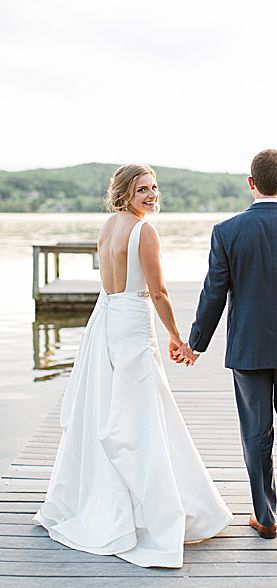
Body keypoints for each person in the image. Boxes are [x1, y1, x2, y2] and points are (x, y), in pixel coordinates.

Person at [34, 164, 233, 568]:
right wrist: (178, 337)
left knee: (110, 410)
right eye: (143, 189)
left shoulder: (108, 226)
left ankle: (100, 500)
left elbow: (113, 285)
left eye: (155, 188)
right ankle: (145, 514)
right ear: (124, 192)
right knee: (139, 415)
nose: (152, 195)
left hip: (106, 318)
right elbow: (157, 291)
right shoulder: (145, 230)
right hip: (129, 322)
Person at [180, 149, 277, 541]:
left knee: (255, 431)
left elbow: (213, 292)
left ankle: (264, 517)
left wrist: (196, 344)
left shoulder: (227, 231)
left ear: (251, 183)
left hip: (248, 347)